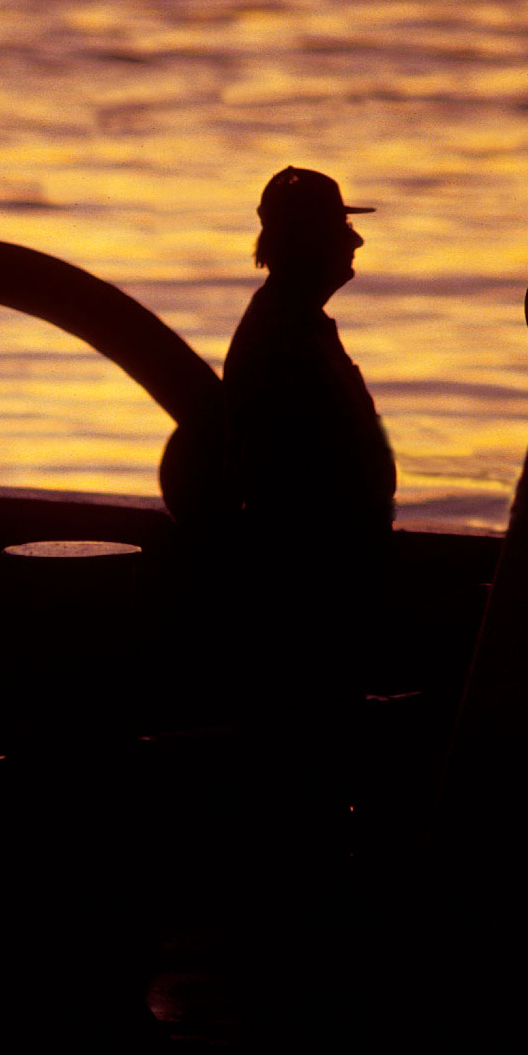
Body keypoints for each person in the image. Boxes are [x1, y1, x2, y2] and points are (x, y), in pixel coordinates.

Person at [221, 167, 396, 703]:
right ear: (308, 241)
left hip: (327, 586)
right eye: (340, 227)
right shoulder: (283, 337)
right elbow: (294, 488)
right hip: (311, 596)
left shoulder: (298, 325)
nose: (356, 239)